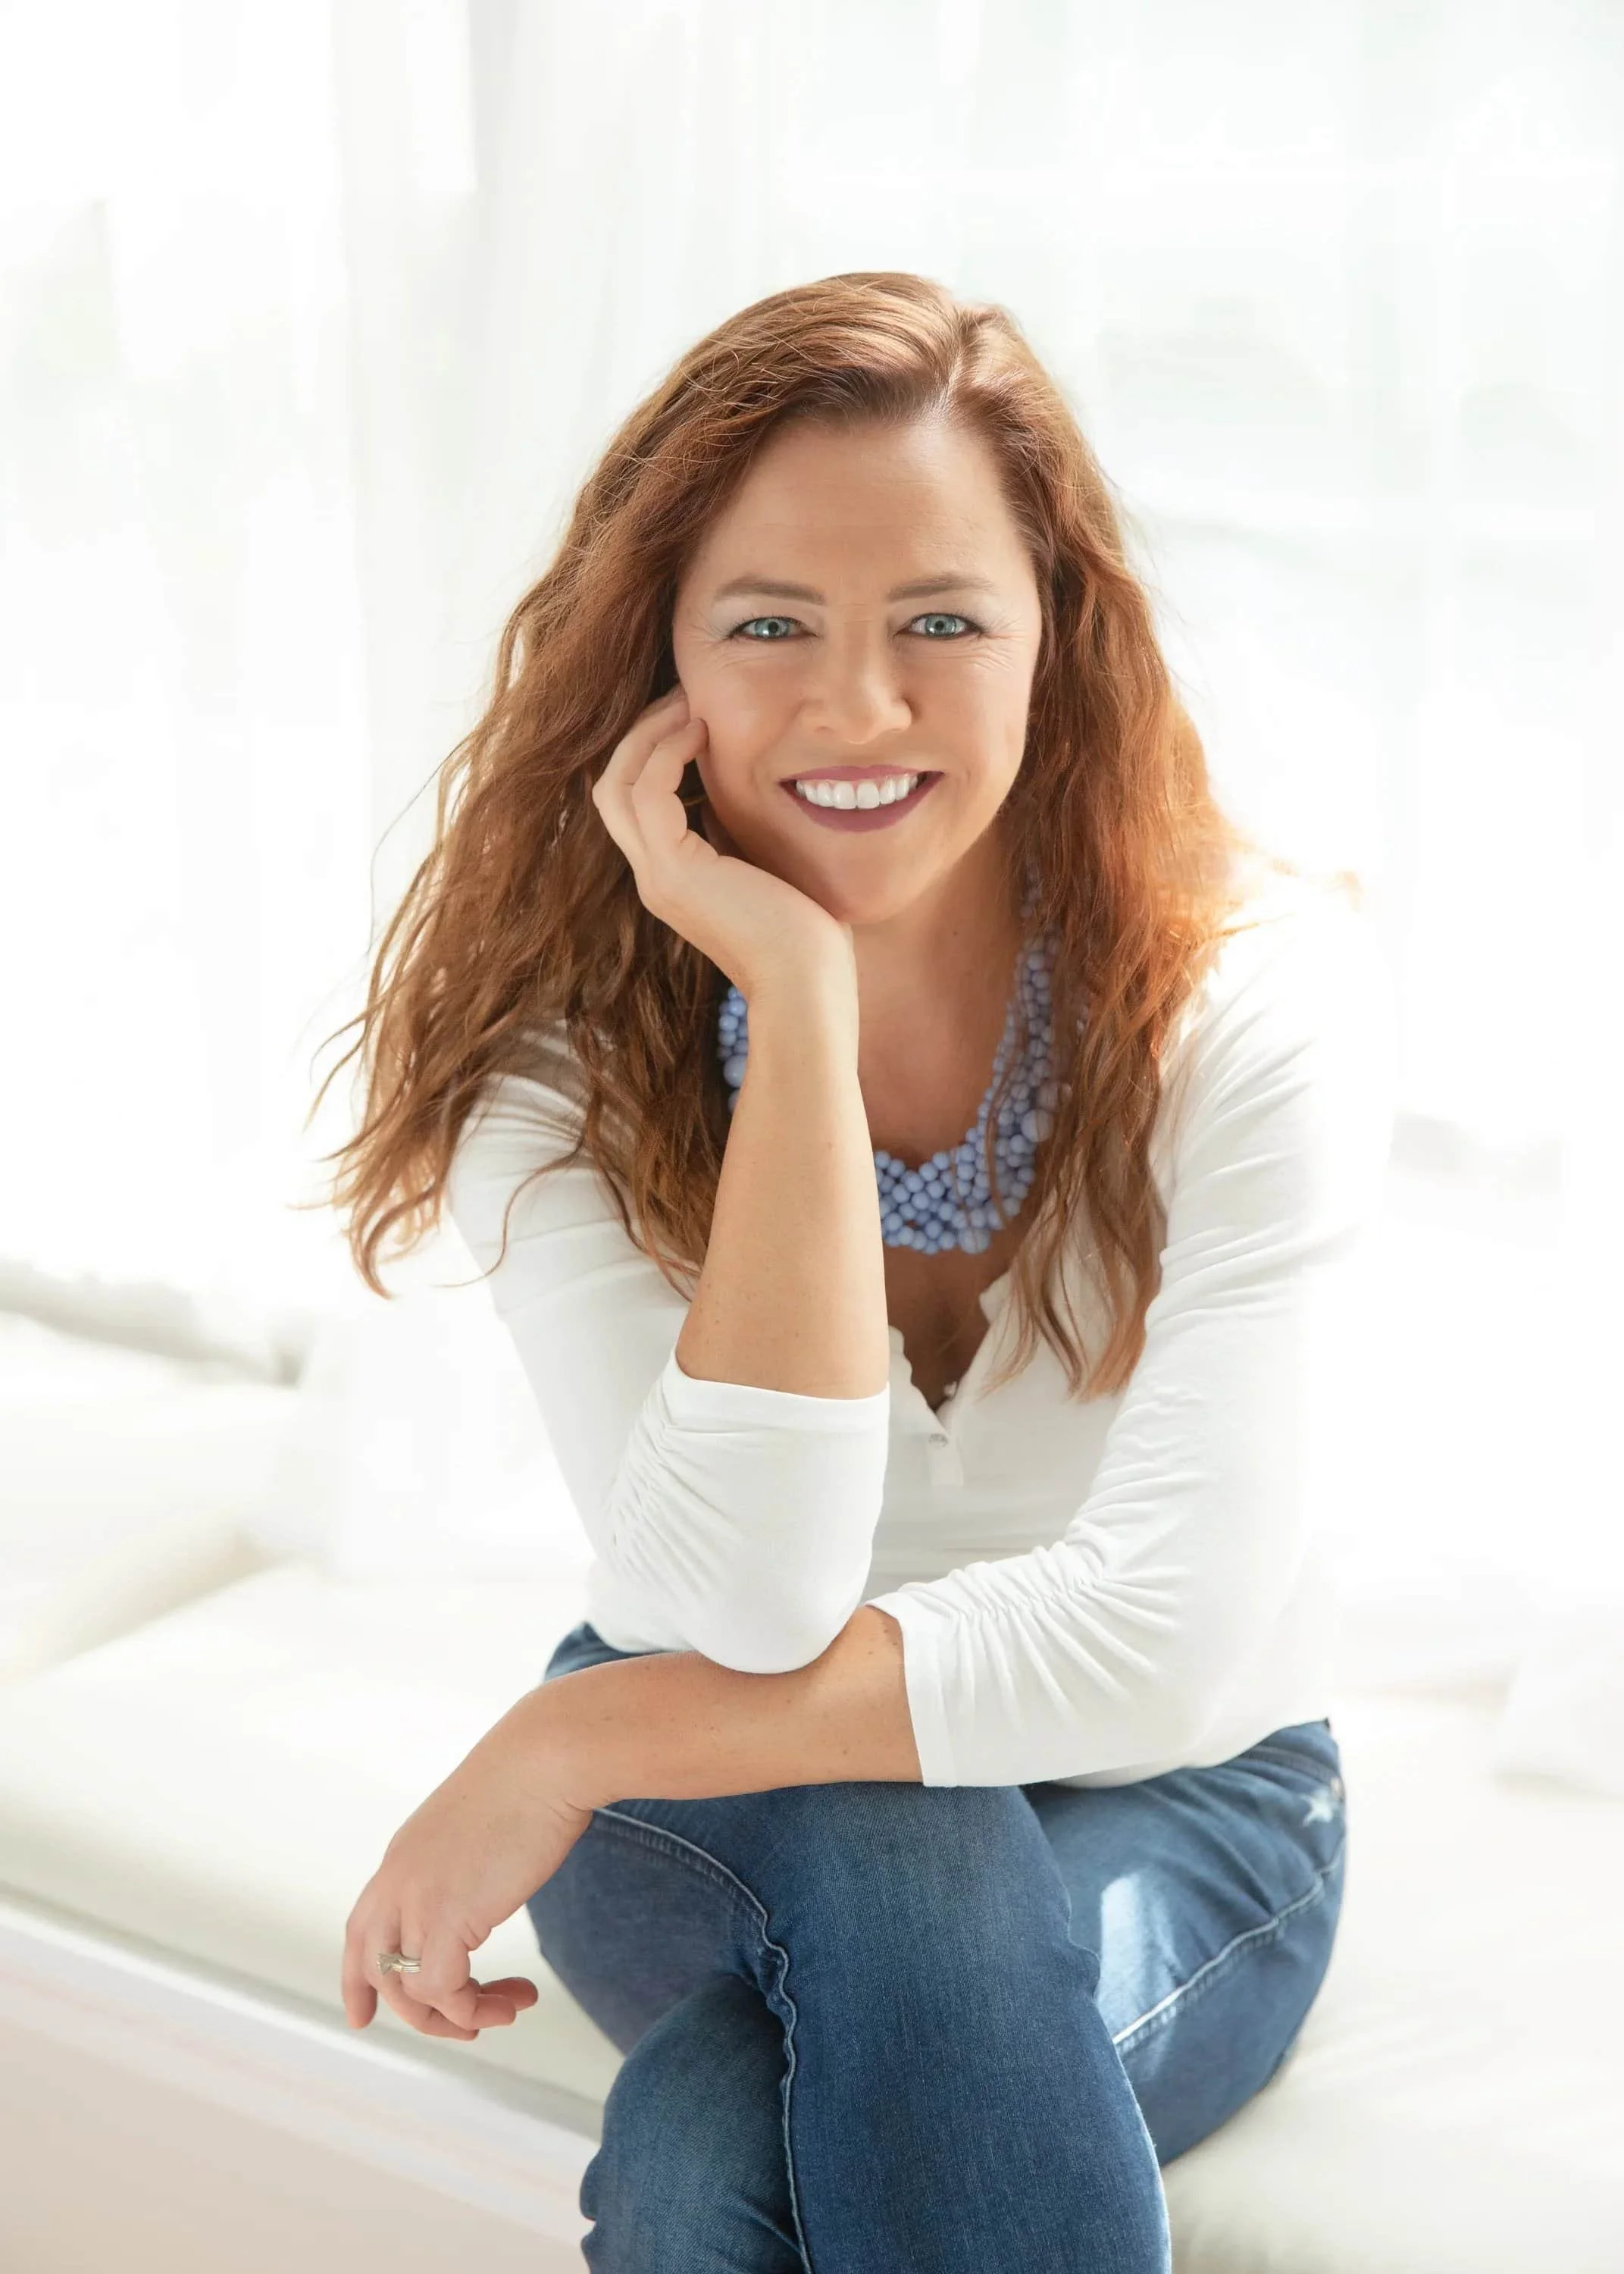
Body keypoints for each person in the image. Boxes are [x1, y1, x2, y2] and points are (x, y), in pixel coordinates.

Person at [318, 272, 1395, 2272]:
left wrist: (567, 1740)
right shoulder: (552, 1075)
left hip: (1182, 1807)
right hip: (702, 1817)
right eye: (766, 628)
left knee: (711, 2167)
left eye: (938, 624)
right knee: (901, 1842)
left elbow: (1158, 1641)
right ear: (654, 667)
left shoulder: (1250, 1006)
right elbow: (738, 1599)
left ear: (1054, 644)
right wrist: (797, 1012)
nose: (855, 707)